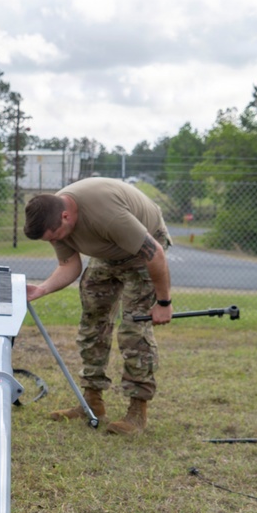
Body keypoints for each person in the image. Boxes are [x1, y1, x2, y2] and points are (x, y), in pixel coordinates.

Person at [23, 177, 172, 435]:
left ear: (67, 216)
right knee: (92, 324)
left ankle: (137, 412)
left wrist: (163, 302)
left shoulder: (107, 215)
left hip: (142, 251)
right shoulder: (52, 218)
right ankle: (92, 404)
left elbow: (154, 253)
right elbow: (69, 265)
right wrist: (42, 289)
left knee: (133, 330)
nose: (55, 240)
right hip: (108, 253)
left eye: (56, 236)